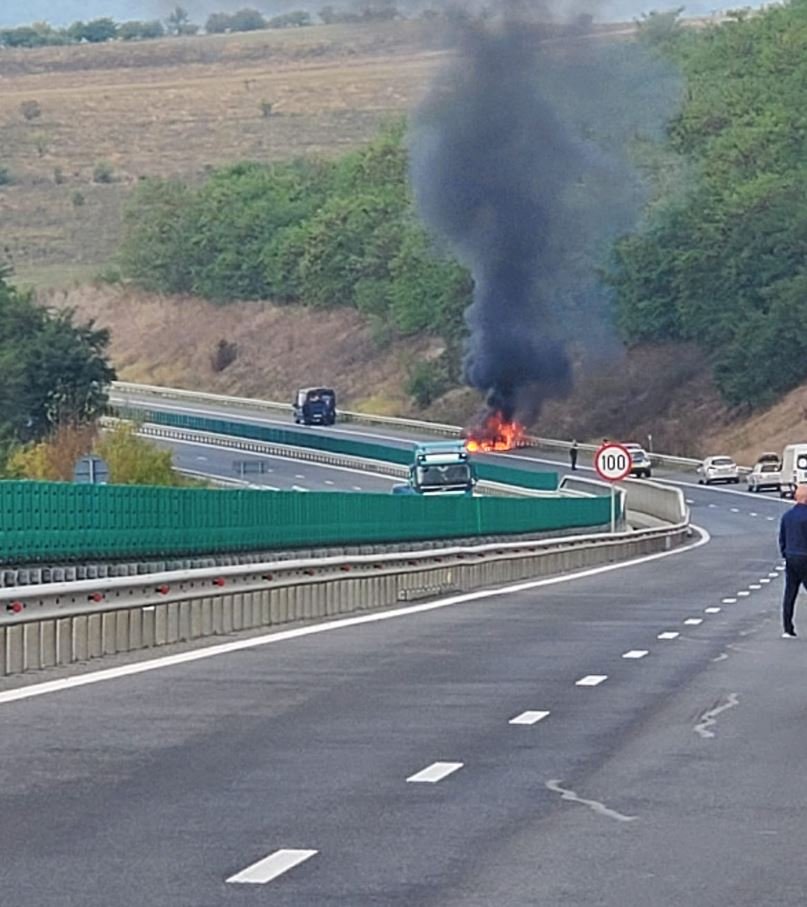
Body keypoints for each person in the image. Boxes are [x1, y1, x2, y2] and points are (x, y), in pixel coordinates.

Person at [778, 483, 807, 638]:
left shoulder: (787, 516)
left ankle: (787, 628)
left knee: (790, 593)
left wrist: (786, 554)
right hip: (805, 557)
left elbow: (782, 538)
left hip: (791, 557)